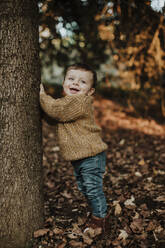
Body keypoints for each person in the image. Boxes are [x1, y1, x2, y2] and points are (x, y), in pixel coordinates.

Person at [40, 63, 109, 233]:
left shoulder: (80, 102)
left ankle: (100, 219)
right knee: (84, 187)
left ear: (90, 91)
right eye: (71, 79)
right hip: (80, 156)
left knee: (92, 188)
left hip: (91, 155)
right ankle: (97, 211)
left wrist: (42, 96)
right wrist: (43, 112)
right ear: (63, 83)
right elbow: (55, 117)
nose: (76, 83)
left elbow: (57, 112)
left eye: (82, 82)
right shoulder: (67, 103)